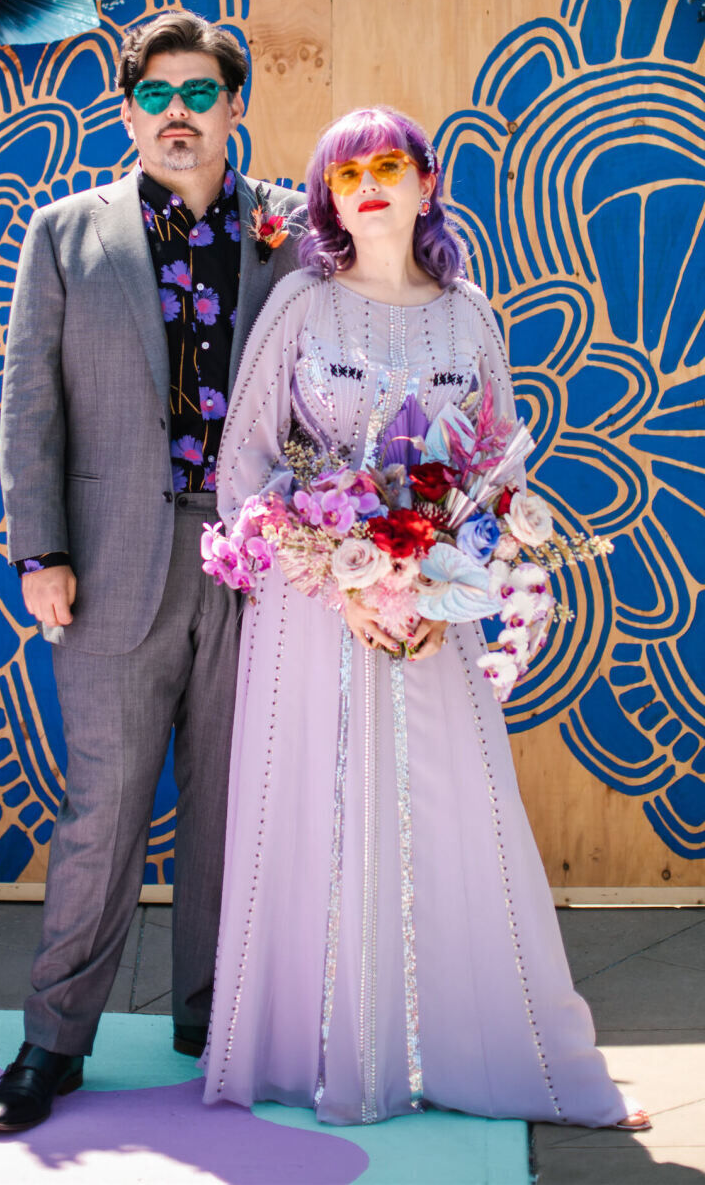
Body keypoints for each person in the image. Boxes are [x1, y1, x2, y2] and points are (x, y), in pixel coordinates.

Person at [201, 106, 650, 1131]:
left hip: (432, 611)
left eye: (389, 163)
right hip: (315, 615)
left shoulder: (467, 315)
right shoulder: (300, 308)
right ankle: (321, 1052)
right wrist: (343, 578)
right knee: (317, 806)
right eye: (346, 169)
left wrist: (434, 573)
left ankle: (462, 1047)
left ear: (424, 184)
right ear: (325, 194)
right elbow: (245, 468)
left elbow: (500, 471)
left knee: (450, 815)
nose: (368, 182)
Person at [0, 11, 302, 1132]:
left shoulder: (293, 231)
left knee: (234, 808)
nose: (178, 111)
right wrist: (42, 553)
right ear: (129, 111)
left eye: (200, 92)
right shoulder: (65, 231)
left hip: (261, 564)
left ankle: (213, 1020)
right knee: (104, 811)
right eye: (157, 93)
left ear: (234, 107)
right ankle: (51, 1039)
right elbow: (30, 406)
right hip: (113, 560)